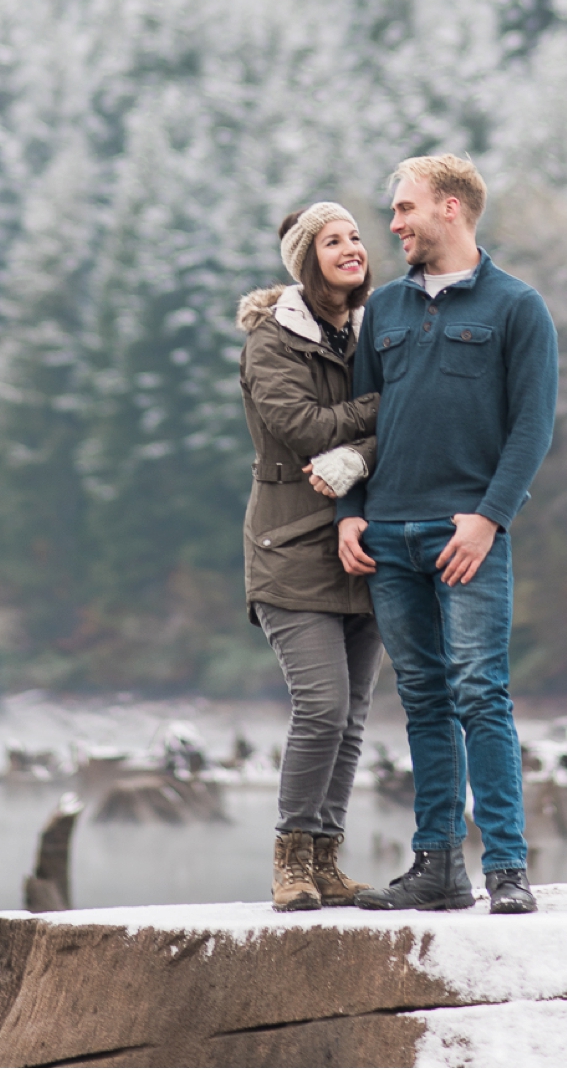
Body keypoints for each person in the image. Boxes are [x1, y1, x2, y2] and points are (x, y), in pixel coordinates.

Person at [336, 155, 557, 916]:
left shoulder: (517, 307)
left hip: (467, 535)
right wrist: (349, 512)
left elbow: (532, 427)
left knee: (480, 693)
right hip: (388, 538)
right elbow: (361, 423)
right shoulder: (385, 313)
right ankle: (436, 867)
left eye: (404, 208)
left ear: (452, 208)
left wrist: (489, 517)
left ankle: (506, 869)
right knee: (424, 698)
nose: (392, 224)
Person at [238, 202, 385, 912]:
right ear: (307, 258)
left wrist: (360, 449)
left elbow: (412, 423)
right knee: (322, 705)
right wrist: (377, 410)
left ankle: (326, 861)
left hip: (365, 545)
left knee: (353, 714)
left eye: (356, 235)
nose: (353, 247)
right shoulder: (272, 341)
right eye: (334, 239)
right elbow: (301, 429)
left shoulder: (376, 330)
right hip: (289, 547)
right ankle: (289, 861)